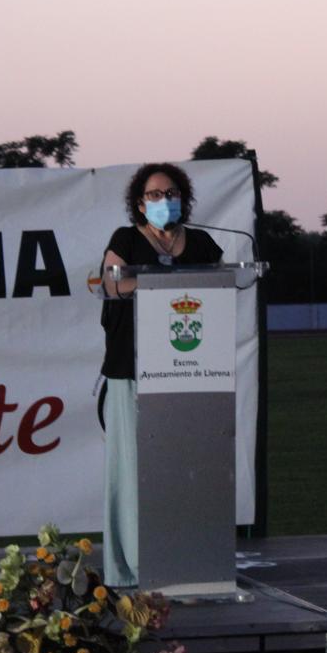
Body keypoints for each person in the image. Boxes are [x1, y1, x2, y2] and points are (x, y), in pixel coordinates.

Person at [98, 162, 223, 586]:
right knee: (135, 471)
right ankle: (134, 567)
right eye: (153, 195)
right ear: (139, 202)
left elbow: (219, 288)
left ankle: (188, 562)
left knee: (187, 467)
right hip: (132, 368)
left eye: (170, 193)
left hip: (192, 375)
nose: (163, 201)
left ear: (182, 198)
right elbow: (111, 284)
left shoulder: (202, 243)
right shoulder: (127, 239)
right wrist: (158, 283)